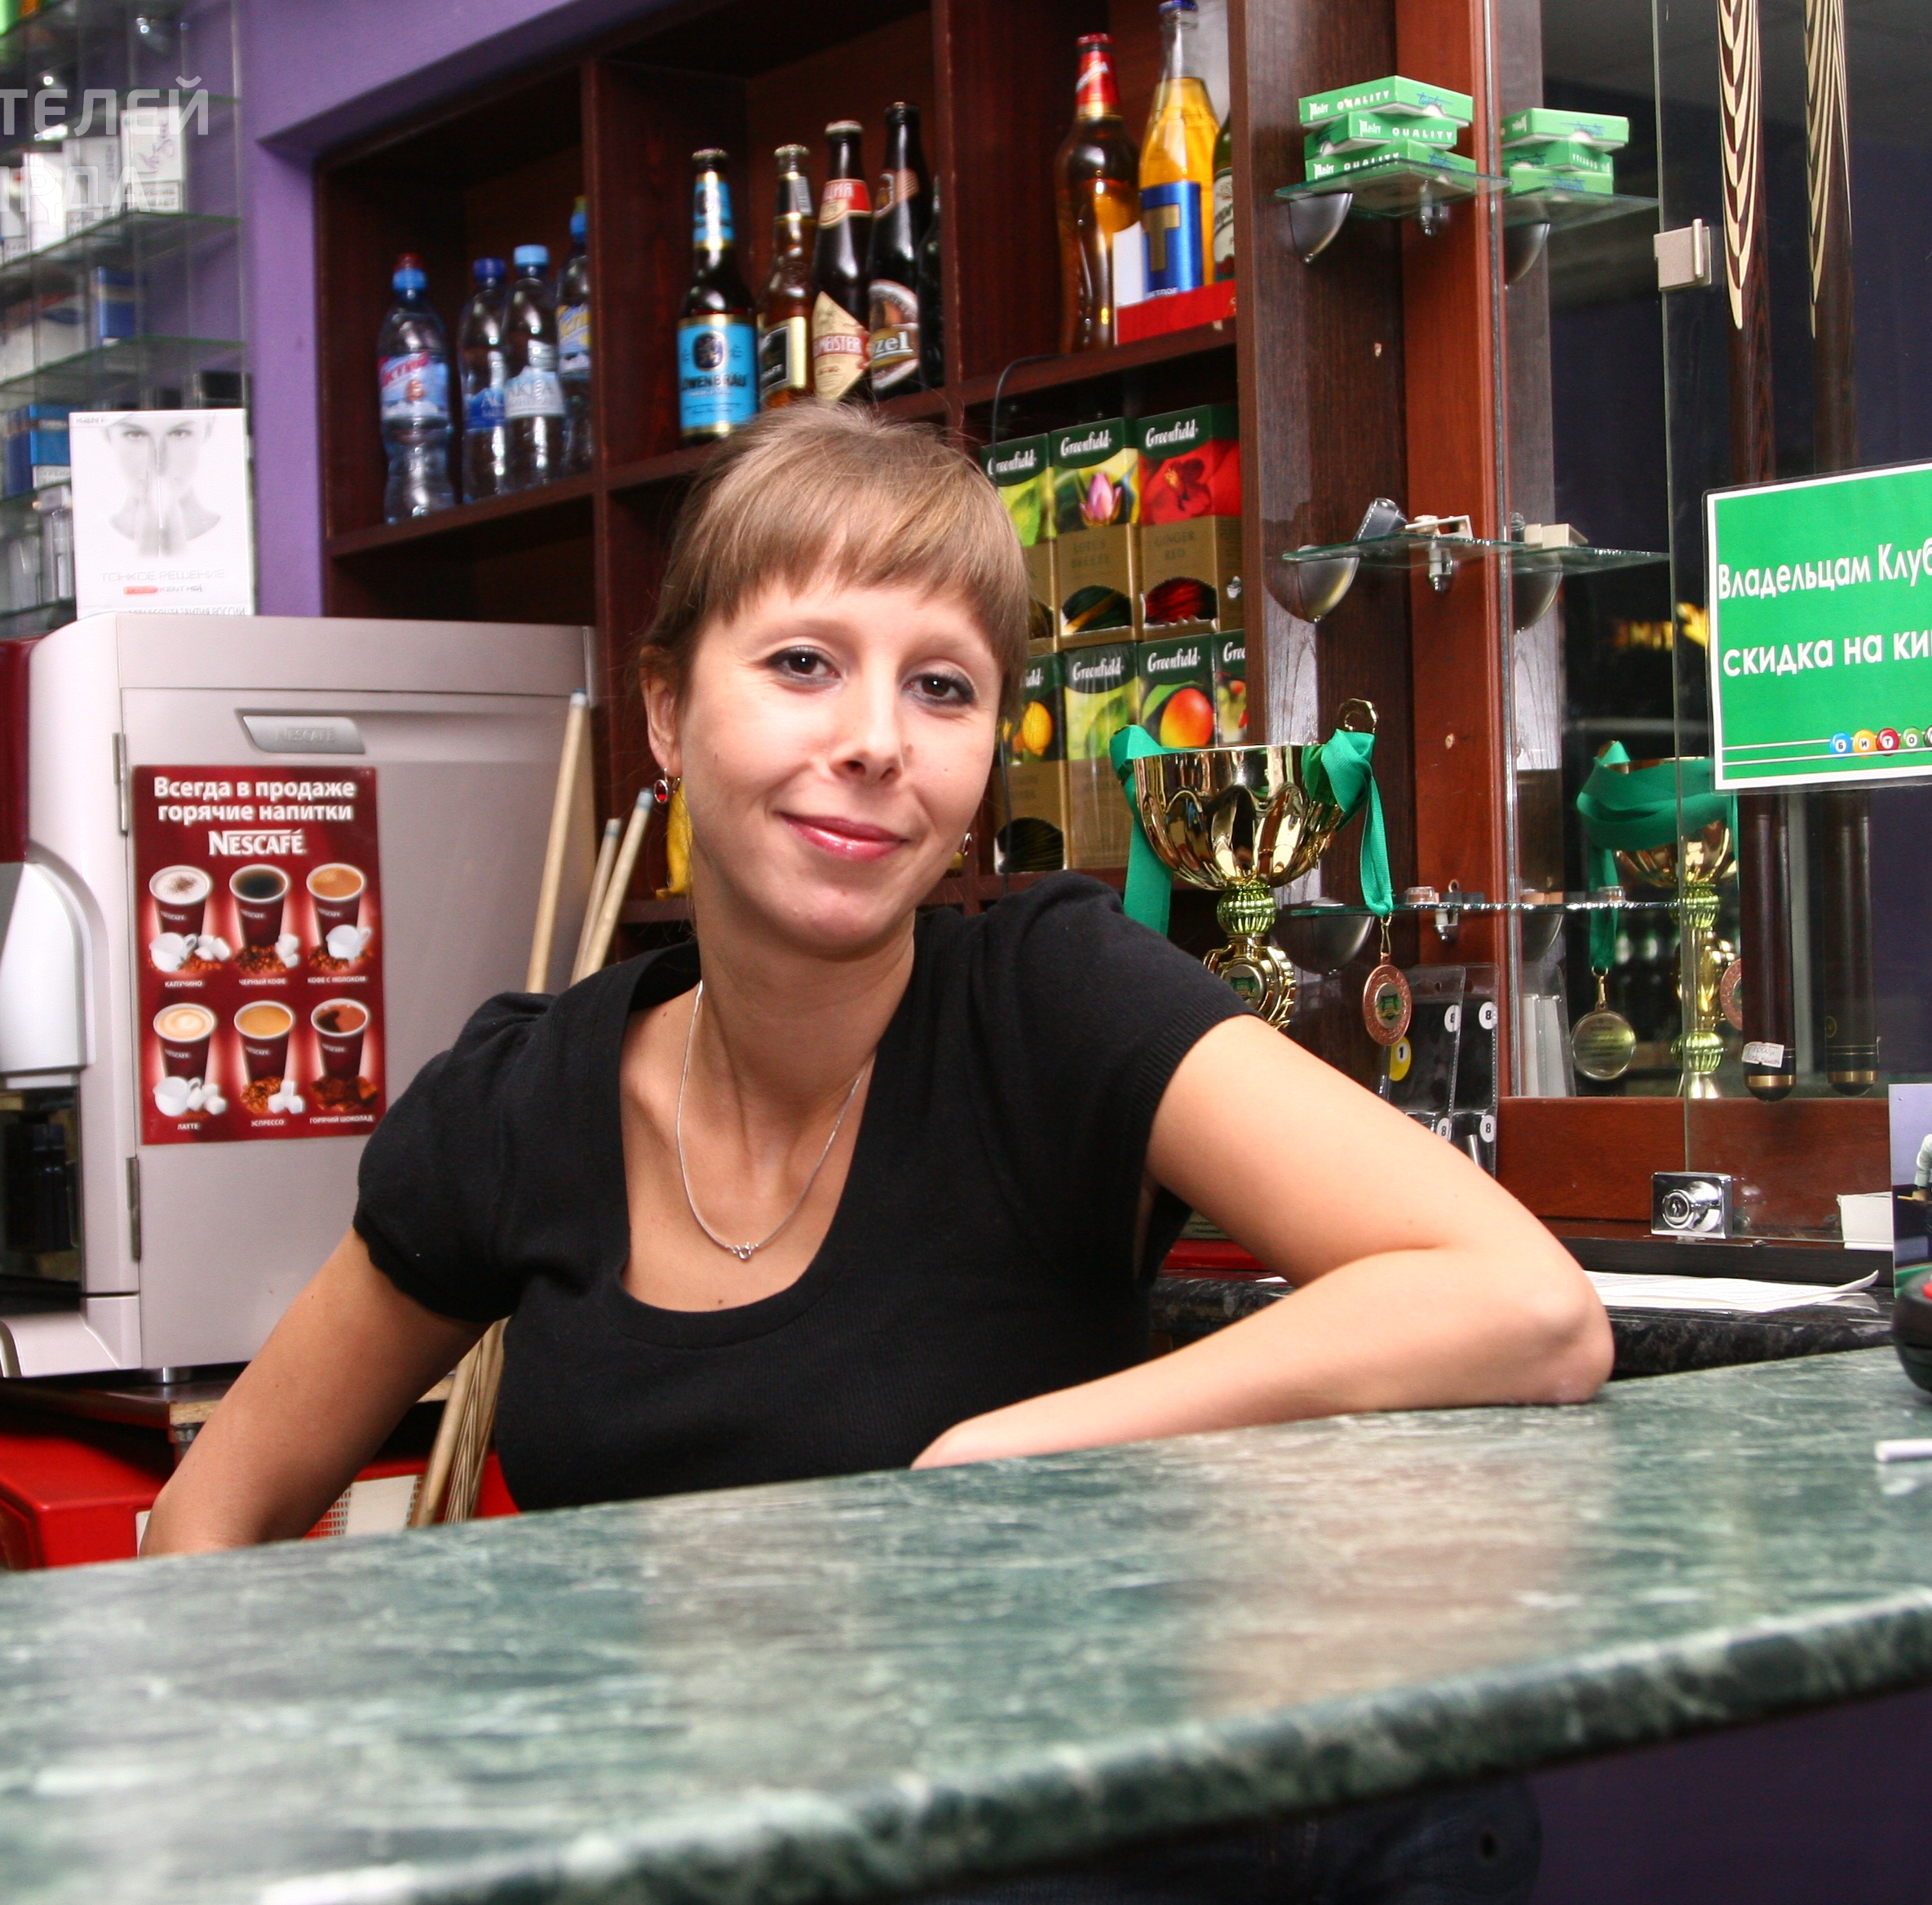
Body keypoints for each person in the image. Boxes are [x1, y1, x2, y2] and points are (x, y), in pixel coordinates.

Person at [144, 403, 1609, 1550]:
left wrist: (1016, 1448)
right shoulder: (522, 1101)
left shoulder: (1047, 1001)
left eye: (940, 686)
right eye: (802, 662)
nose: (873, 741)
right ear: (665, 711)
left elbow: (1526, 1307)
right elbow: (204, 1523)